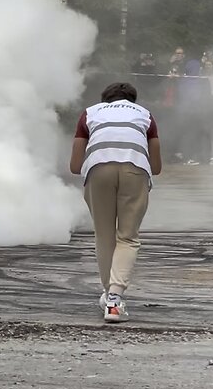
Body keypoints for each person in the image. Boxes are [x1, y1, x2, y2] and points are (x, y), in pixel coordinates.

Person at [69, 82, 162, 323]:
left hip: (98, 170)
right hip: (135, 169)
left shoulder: (90, 113)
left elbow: (75, 165)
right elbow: (158, 167)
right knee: (128, 237)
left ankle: (108, 295)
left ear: (105, 99)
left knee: (104, 235)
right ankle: (114, 298)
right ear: (133, 100)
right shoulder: (145, 115)